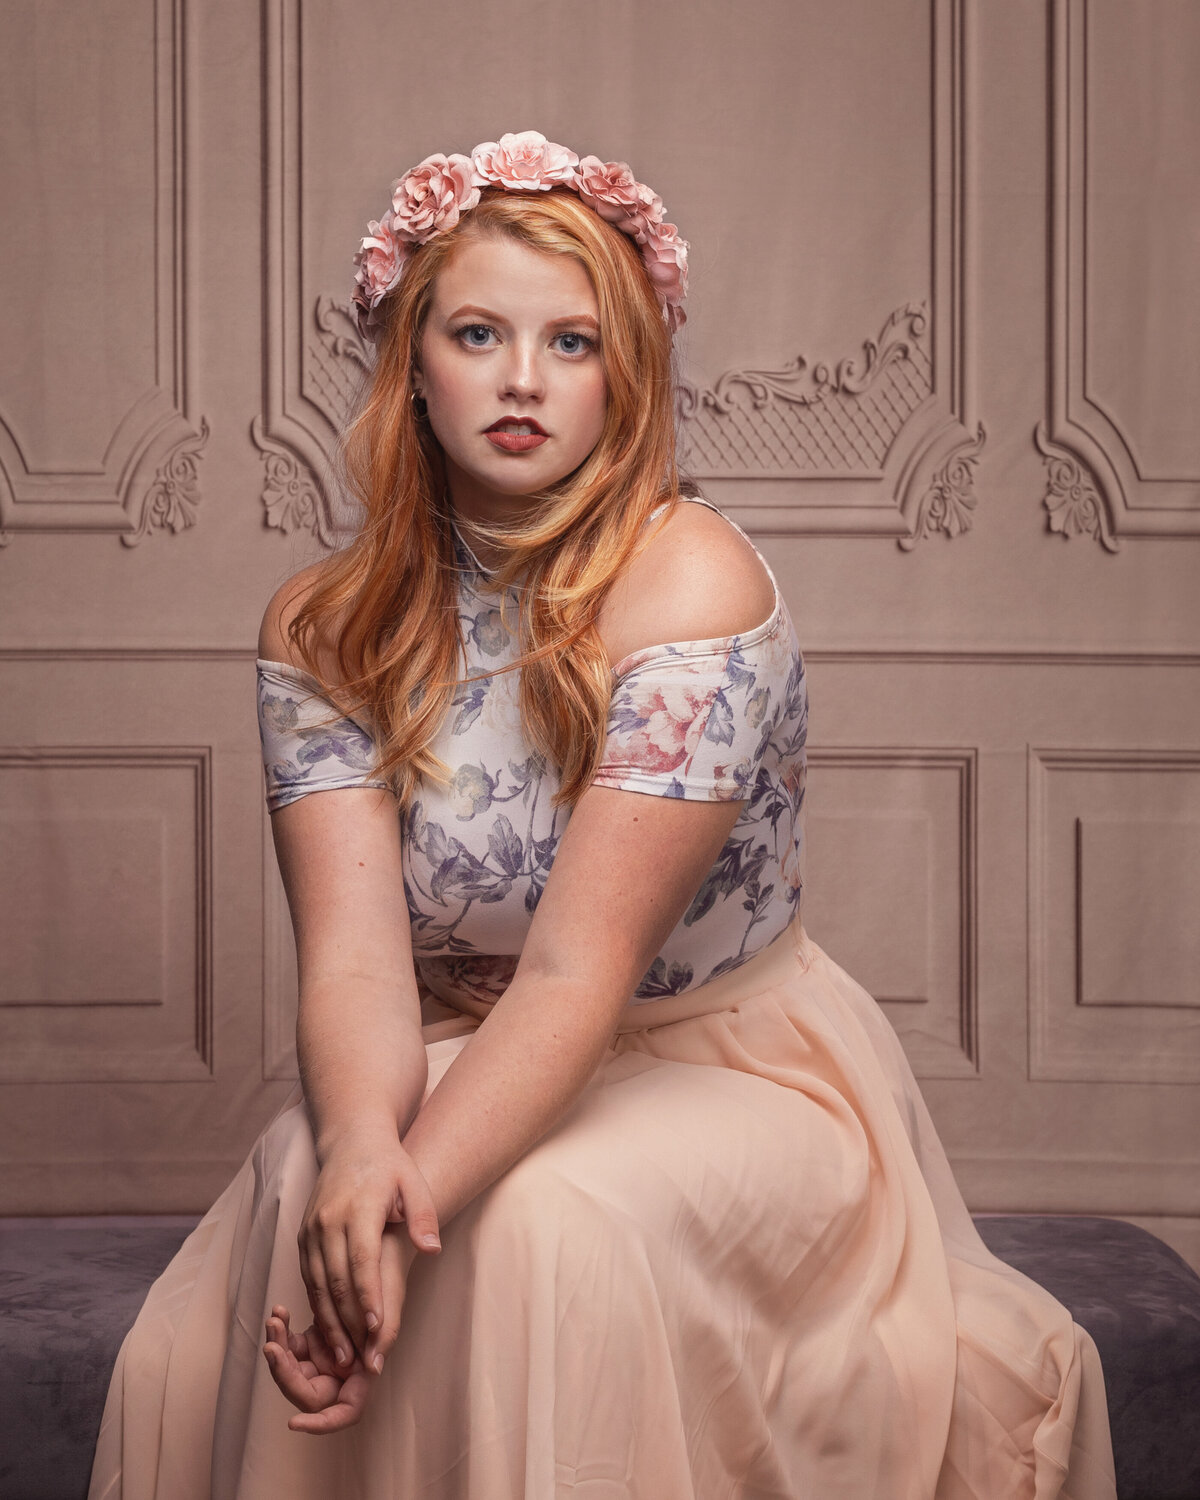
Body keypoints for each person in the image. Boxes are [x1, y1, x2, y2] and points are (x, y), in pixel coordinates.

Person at [89, 131, 1117, 1500]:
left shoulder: (689, 583)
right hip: (470, 1044)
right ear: (413, 365)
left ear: (625, 373)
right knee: (307, 1186)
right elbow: (352, 961)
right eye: (478, 333)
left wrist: (406, 1212)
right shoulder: (323, 625)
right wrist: (360, 1156)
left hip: (723, 1068)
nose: (523, 379)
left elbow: (578, 977)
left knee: (534, 1222)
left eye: (572, 343)